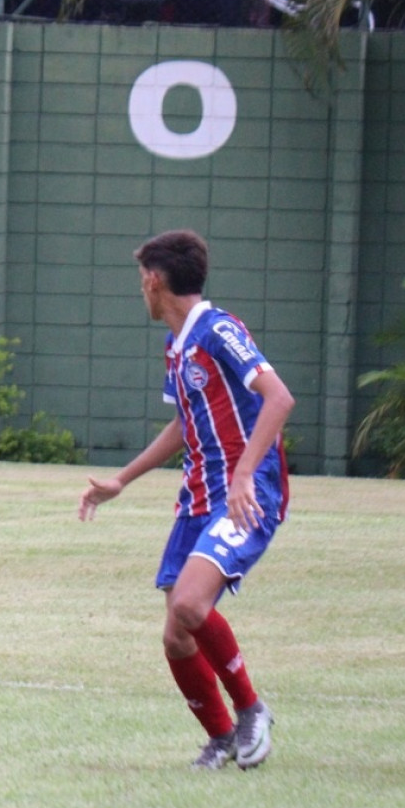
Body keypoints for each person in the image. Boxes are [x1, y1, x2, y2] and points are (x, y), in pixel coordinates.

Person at [79, 229, 294, 770]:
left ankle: (251, 711)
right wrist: (122, 480)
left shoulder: (218, 330)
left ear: (154, 281)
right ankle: (221, 737)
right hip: (198, 498)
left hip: (247, 493)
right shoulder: (177, 346)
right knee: (176, 635)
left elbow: (278, 398)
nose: (140, 291)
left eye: (140, 281)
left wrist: (245, 475)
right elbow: (183, 424)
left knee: (191, 605)